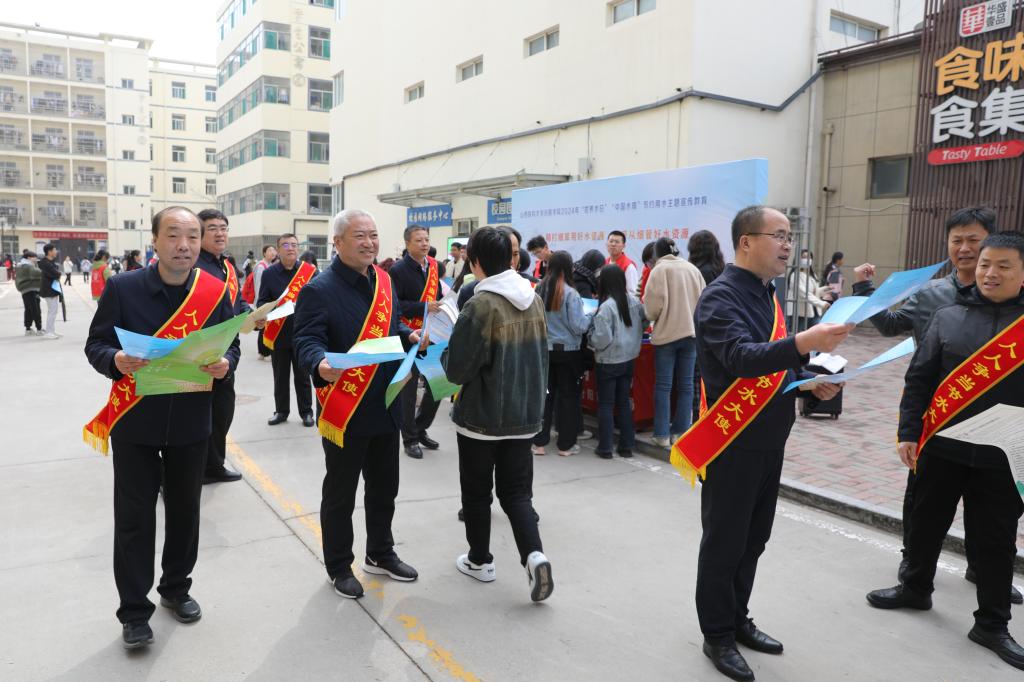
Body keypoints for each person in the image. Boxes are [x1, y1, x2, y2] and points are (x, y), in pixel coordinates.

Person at [690, 206, 850, 680]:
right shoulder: (720, 298)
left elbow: (774, 366)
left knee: (754, 540)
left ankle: (738, 618)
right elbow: (742, 359)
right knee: (725, 543)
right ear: (746, 242)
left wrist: (808, 379)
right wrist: (804, 343)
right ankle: (717, 635)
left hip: (769, 440)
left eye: (789, 236)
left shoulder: (767, 293)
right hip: (732, 442)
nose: (788, 245)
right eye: (778, 235)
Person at [866, 231, 1024, 672]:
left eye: (1004, 266)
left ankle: (992, 624)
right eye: (986, 264)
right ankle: (915, 588)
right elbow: (920, 378)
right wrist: (908, 432)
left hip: (1002, 456)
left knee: (995, 541)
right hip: (941, 446)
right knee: (925, 523)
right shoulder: (948, 316)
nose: (990, 273)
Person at [83, 206, 240, 649]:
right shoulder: (123, 288)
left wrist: (226, 364)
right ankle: (134, 612)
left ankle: (176, 588)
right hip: (135, 422)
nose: (184, 245)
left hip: (191, 422)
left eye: (192, 236)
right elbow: (96, 344)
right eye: (173, 235)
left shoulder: (214, 291)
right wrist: (115, 359)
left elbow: (232, 346)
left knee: (186, 512)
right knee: (134, 519)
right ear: (154, 241)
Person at [293, 209, 420, 599]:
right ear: (337, 242)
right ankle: (338, 565)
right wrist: (319, 362)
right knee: (341, 493)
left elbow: (392, 324)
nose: (369, 242)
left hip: (386, 402)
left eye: (373, 235)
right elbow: (306, 339)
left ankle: (380, 552)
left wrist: (408, 334)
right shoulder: (319, 289)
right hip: (346, 409)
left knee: (384, 489)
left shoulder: (384, 279)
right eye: (360, 235)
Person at [442, 226, 553, 602]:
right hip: (524, 415)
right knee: (517, 494)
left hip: (481, 418)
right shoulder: (533, 298)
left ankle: (480, 561)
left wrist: (446, 349)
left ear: (474, 262)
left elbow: (457, 370)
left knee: (477, 493)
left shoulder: (480, 305)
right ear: (511, 258)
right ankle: (534, 556)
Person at [195, 208, 245, 484]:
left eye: (223, 228)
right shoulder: (192, 266)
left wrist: (251, 314)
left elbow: (237, 302)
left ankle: (214, 465)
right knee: (194, 419)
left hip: (226, 352)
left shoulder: (226, 266)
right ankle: (179, 475)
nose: (220, 233)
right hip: (198, 353)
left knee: (222, 413)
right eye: (212, 228)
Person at [644, 237, 706, 448]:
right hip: (691, 335)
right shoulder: (693, 269)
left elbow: (651, 309)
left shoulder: (659, 270)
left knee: (663, 385)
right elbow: (704, 302)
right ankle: (680, 432)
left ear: (657, 253)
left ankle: (661, 434)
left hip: (667, 336)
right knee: (686, 385)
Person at [390, 225, 443, 459]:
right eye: (419, 240)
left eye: (427, 239)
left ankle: (420, 428)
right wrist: (423, 306)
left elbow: (437, 296)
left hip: (432, 333)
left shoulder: (433, 266)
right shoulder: (398, 270)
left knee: (438, 385)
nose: (424, 244)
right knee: (409, 391)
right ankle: (409, 439)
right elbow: (396, 305)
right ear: (407, 244)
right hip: (409, 334)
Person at [532, 251, 592, 457]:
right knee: (568, 398)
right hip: (568, 353)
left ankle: (539, 444)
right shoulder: (571, 294)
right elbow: (578, 326)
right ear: (568, 268)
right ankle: (565, 446)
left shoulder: (539, 290)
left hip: (544, 352)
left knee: (545, 397)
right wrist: (591, 317)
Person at [259, 233, 317, 429]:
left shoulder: (309, 272)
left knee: (303, 377)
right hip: (278, 333)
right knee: (280, 376)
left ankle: (306, 412)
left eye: (294, 244)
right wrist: (263, 314)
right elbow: (262, 301)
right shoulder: (269, 274)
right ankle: (281, 411)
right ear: (278, 249)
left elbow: (319, 300)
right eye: (285, 245)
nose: (290, 248)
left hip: (303, 334)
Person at [589, 264, 646, 459]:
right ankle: (626, 447)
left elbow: (601, 339)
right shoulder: (634, 302)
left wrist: (590, 339)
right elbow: (645, 322)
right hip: (629, 358)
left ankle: (605, 448)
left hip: (608, 360)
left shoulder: (606, 307)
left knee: (606, 404)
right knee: (623, 403)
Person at [687, 230, 727, 421]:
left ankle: (699, 422)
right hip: (720, 334)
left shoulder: (698, 271)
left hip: (702, 333)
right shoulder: (721, 269)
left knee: (698, 383)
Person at [785, 248, 829, 331]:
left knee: (816, 334)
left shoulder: (812, 275)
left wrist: (825, 289)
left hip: (813, 311)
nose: (807, 260)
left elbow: (814, 292)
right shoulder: (795, 275)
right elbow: (804, 293)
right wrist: (822, 304)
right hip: (799, 314)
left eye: (809, 257)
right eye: (804, 257)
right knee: (797, 335)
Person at [253, 244, 278, 360]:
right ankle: (263, 352)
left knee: (267, 325)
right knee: (263, 326)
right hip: (263, 302)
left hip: (269, 302)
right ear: (264, 253)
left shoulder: (270, 265)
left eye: (274, 250)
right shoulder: (261, 266)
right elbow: (259, 286)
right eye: (270, 250)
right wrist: (261, 303)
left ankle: (265, 351)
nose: (273, 252)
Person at [15, 250, 42, 336]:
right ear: (29, 258)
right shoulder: (27, 266)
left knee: (29, 310)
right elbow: (37, 273)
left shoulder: (22, 265)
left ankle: (28, 329)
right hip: (31, 289)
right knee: (35, 309)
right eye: (34, 257)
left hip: (26, 290)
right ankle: (39, 329)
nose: (36, 259)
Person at [38, 243, 61, 340]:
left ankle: (51, 330)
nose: (56, 252)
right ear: (49, 252)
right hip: (49, 290)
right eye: (55, 250)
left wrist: (57, 274)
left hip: (52, 289)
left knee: (53, 311)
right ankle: (49, 332)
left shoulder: (49, 262)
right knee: (52, 311)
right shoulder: (46, 263)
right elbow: (57, 274)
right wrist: (58, 274)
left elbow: (57, 273)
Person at [606, 230, 639, 294]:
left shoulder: (629, 266)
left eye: (617, 242)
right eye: (611, 241)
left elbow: (633, 294)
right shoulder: (604, 262)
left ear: (623, 246)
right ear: (607, 244)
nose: (613, 244)